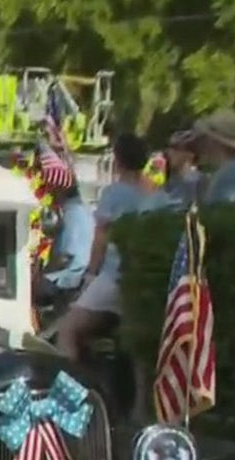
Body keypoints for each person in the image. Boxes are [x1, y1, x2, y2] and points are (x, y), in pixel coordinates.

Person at [56, 132, 153, 361]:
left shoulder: (113, 194)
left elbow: (100, 237)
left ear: (118, 160)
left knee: (68, 331)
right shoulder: (154, 191)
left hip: (114, 275)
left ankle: (72, 390)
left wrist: (89, 275)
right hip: (141, 276)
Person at [34, 188, 94, 303]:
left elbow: (66, 257)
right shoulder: (84, 210)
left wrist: (44, 273)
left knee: (29, 291)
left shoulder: (71, 214)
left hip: (71, 277)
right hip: (82, 273)